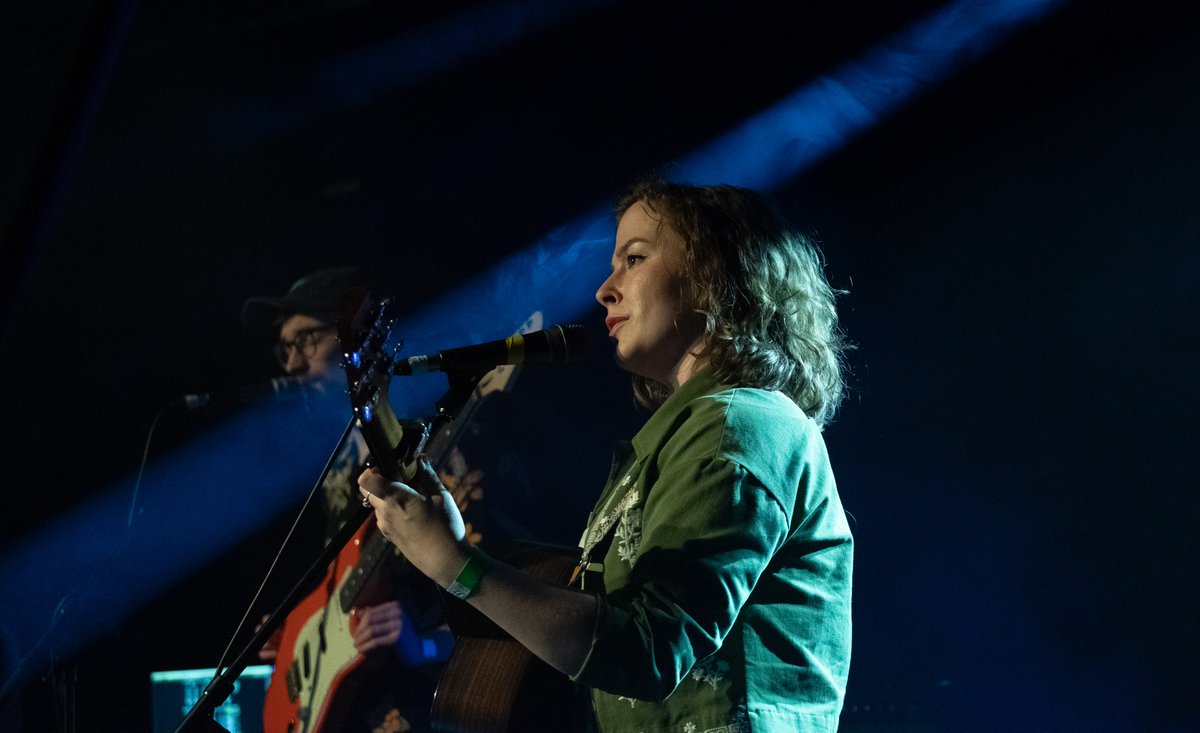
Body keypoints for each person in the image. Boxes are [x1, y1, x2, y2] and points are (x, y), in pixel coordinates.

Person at [358, 178, 854, 732]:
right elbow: (595, 647)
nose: (604, 290)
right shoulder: (681, 438)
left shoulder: (741, 424)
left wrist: (455, 563)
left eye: (634, 259)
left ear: (714, 275)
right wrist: (448, 558)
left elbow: (651, 650)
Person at [243, 266, 464, 733]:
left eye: (307, 341)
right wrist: (304, 633)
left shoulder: (432, 441)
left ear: (356, 340)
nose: (292, 365)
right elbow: (339, 577)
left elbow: (502, 580)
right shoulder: (338, 455)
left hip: (432, 707)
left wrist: (423, 644)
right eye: (286, 348)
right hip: (354, 709)